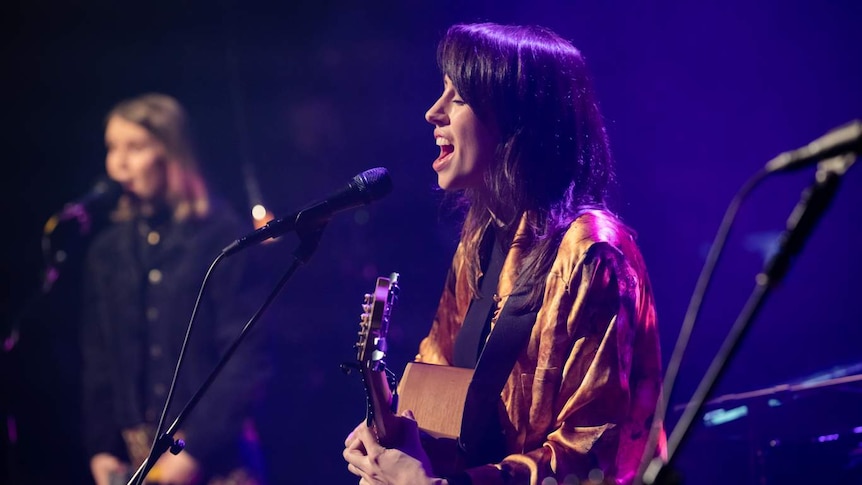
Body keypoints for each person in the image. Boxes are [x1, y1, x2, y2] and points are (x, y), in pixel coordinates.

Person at [342, 23, 665, 485]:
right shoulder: (479, 241)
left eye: (459, 97)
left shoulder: (595, 257)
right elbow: (441, 391)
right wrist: (396, 439)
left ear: (516, 120)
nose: (433, 112)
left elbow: (596, 454)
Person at [81, 93, 270, 485]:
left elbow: (245, 356)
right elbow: (99, 358)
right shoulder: (108, 251)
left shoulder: (221, 237)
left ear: (171, 153)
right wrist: (100, 447)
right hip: (135, 455)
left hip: (214, 455)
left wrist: (196, 449)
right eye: (112, 148)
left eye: (134, 147)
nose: (118, 163)